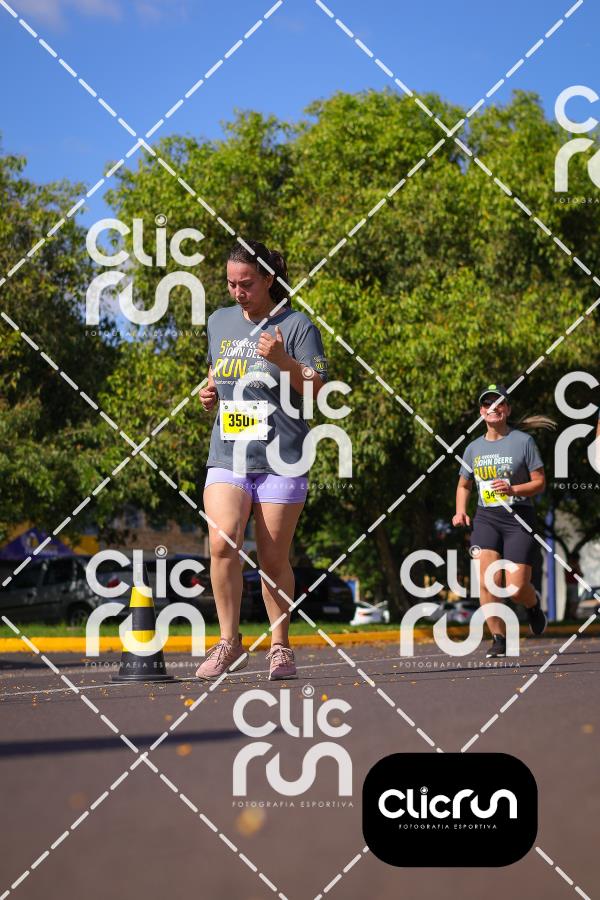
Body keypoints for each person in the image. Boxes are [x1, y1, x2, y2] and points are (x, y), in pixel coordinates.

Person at [195, 240, 328, 680]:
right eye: (231, 284)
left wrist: (283, 360)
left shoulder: (297, 325)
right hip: (228, 453)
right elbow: (217, 373)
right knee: (222, 541)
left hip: (282, 458)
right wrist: (209, 393)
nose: (238, 292)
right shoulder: (219, 321)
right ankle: (229, 643)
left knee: (272, 559)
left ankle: (280, 646)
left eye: (247, 283)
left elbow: (318, 389)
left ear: (269, 279)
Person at [452, 384, 554, 658]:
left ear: (507, 410)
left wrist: (513, 489)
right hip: (486, 518)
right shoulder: (473, 448)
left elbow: (540, 483)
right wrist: (460, 510)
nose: (493, 408)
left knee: (515, 586)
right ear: (481, 412)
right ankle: (498, 638)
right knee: (488, 581)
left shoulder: (523, 442)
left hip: (518, 517)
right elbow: (464, 485)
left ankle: (532, 605)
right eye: (487, 404)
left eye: (498, 404)